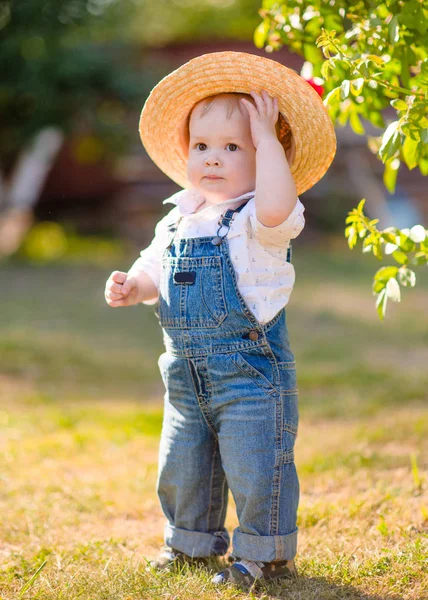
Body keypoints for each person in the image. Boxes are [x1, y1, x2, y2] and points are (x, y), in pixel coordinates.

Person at [104, 51, 336, 589]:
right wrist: (133, 286)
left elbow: (280, 204)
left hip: (249, 374)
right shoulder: (179, 216)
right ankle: (188, 541)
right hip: (184, 374)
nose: (212, 158)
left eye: (234, 147)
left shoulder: (261, 218)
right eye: (202, 146)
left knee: (257, 466)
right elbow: (153, 267)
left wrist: (269, 138)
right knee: (184, 464)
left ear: (268, 159)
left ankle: (263, 552)